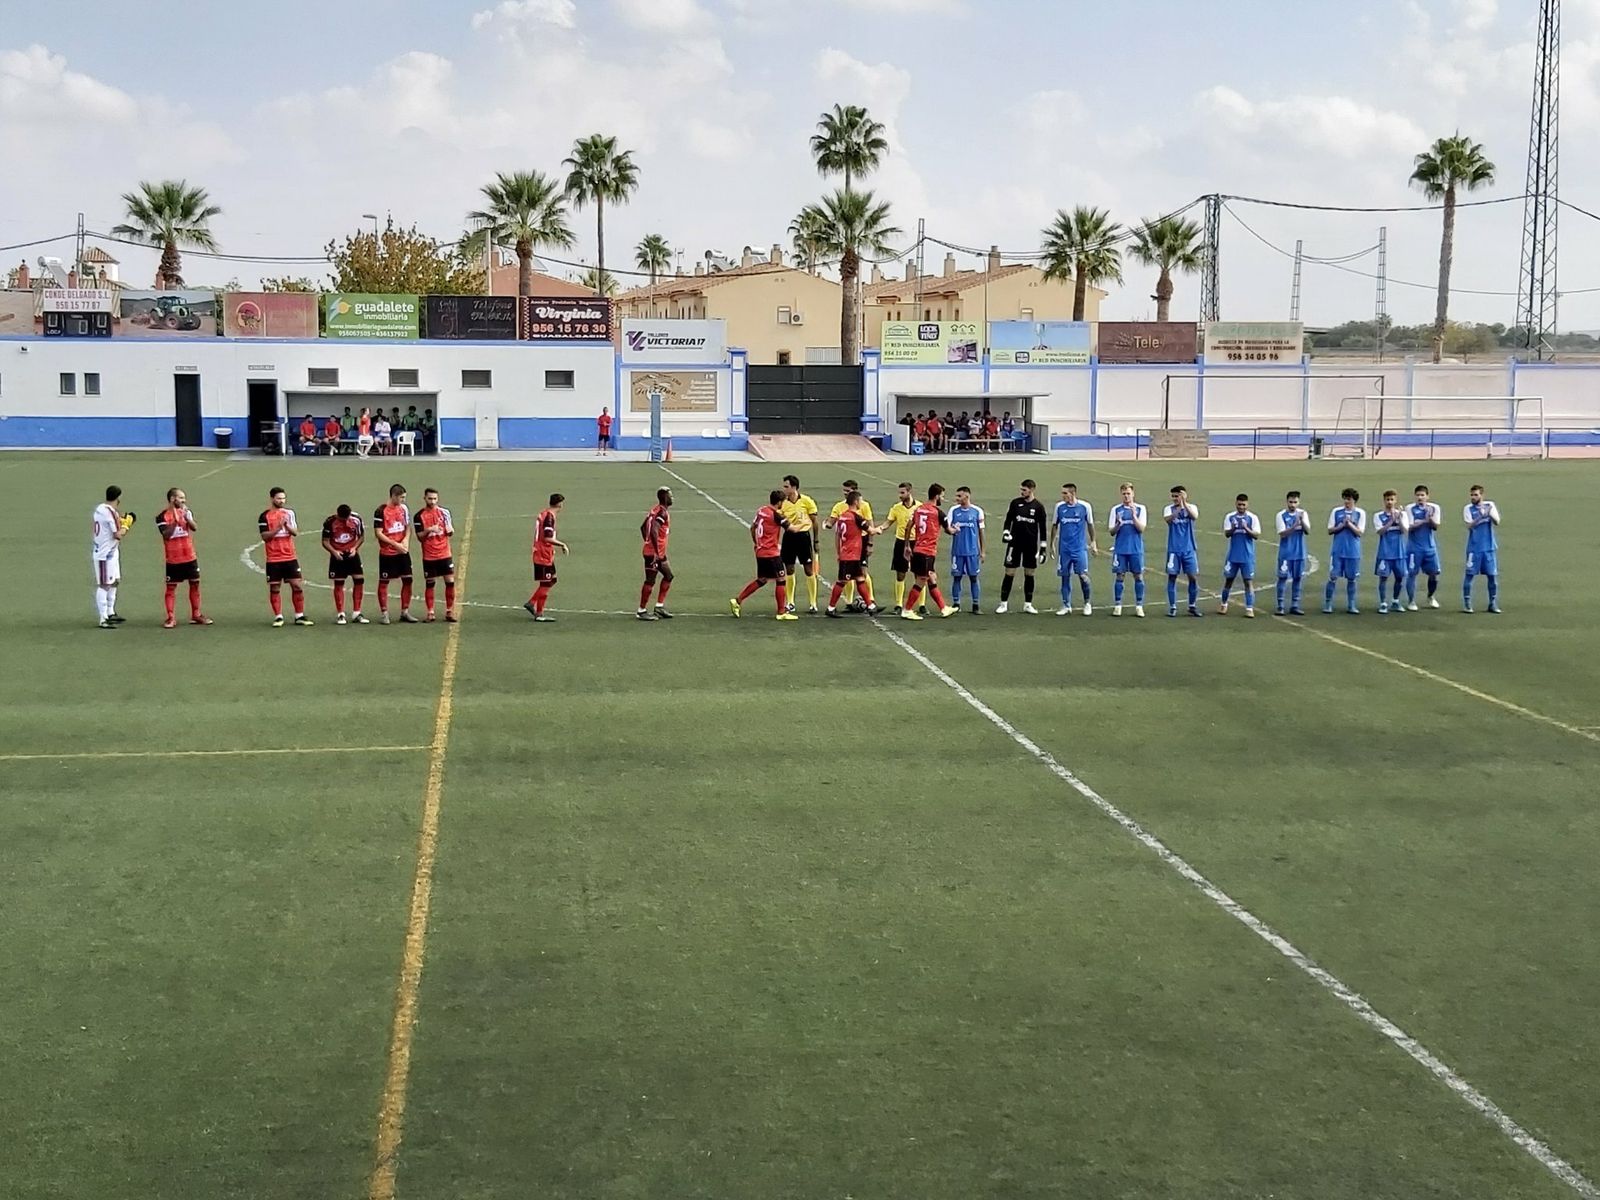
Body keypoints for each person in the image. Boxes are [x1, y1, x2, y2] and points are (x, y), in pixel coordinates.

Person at [731, 490, 795, 620]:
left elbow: (752, 527)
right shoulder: (777, 515)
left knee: (762, 579)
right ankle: (781, 612)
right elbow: (792, 529)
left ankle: (738, 601)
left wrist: (756, 543)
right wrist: (805, 524)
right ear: (779, 502)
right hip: (771, 553)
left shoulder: (762, 511)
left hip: (760, 551)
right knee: (781, 580)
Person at [900, 483, 958, 620]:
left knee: (931, 577)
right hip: (927, 551)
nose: (942, 499)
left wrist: (907, 545)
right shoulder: (938, 512)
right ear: (937, 496)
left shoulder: (919, 509)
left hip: (918, 548)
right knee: (922, 579)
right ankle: (907, 609)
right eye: (942, 496)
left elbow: (908, 527)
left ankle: (943, 608)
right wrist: (957, 529)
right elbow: (949, 531)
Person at [156, 487, 211, 628]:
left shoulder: (187, 512)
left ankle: (196, 615)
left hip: (189, 556)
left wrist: (187, 518)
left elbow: (194, 527)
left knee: (195, 584)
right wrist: (175, 522)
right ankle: (170, 617)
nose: (183, 500)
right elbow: (166, 535)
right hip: (173, 559)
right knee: (171, 588)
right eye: (180, 497)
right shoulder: (162, 517)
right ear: (172, 499)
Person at [258, 486, 313, 626]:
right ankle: (278, 616)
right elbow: (265, 537)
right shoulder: (264, 516)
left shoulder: (289, 513)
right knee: (275, 587)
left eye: (283, 498)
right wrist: (278, 527)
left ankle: (299, 615)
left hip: (290, 556)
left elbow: (295, 532)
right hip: (273, 557)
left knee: (297, 586)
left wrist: (286, 525)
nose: (282, 501)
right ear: (272, 499)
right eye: (279, 498)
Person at [996, 478, 1048, 614]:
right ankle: (1003, 604)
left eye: (1024, 490)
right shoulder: (1015, 503)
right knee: (1009, 572)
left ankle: (1028, 604)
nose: (1022, 492)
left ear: (1031, 490)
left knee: (1029, 573)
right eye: (1021, 489)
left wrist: (1042, 548)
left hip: (1030, 545)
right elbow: (1008, 520)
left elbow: (1042, 529)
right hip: (1014, 543)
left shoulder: (1038, 507)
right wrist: (1006, 532)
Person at [826, 490, 879, 616]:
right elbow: (870, 530)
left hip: (848, 553)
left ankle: (871, 605)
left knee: (860, 579)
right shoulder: (856, 517)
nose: (861, 503)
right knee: (842, 581)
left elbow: (838, 536)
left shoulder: (842, 516)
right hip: (851, 555)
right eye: (860, 500)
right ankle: (830, 608)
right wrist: (880, 529)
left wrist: (838, 552)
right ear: (856, 501)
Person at [374, 483, 417, 624]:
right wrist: (395, 544)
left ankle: (405, 611)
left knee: (408, 580)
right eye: (401, 497)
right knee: (384, 582)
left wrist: (405, 541)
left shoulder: (403, 508)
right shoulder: (381, 511)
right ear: (393, 496)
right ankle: (384, 613)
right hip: (388, 553)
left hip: (402, 551)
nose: (403, 500)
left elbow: (407, 527)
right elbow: (378, 533)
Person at [779, 474, 821, 614]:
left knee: (809, 570)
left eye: (786, 486)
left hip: (803, 537)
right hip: (789, 537)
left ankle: (813, 603)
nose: (784, 489)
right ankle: (790, 602)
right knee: (789, 569)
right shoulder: (782, 503)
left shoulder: (807, 501)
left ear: (794, 487)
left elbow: (815, 522)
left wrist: (816, 541)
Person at [1053, 482, 1096, 616]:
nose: (1063, 495)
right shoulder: (1059, 507)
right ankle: (1066, 605)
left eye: (1065, 493)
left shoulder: (1085, 506)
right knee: (1065, 577)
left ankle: (1087, 603)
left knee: (1083, 576)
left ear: (1073, 494)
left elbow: (1090, 525)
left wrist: (1093, 542)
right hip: (1064, 549)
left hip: (1079, 549)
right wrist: (1051, 544)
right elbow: (1055, 525)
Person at [414, 487, 457, 622]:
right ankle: (430, 612)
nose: (432, 501)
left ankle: (449, 611)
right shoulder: (419, 516)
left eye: (434, 499)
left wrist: (450, 531)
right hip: (429, 555)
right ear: (424, 498)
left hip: (444, 553)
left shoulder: (444, 513)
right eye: (430, 498)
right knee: (430, 583)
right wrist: (429, 530)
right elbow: (420, 537)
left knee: (450, 582)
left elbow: (450, 530)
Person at [321, 502, 369, 624]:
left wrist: (355, 548)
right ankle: (340, 614)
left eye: (346, 518)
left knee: (359, 580)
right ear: (337, 515)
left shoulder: (356, 519)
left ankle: (357, 613)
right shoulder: (330, 522)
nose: (345, 521)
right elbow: (325, 541)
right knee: (339, 583)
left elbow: (361, 536)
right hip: (337, 555)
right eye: (342, 519)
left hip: (352, 553)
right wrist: (334, 552)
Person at [1217, 493, 1261, 618]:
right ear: (1236, 504)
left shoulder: (1253, 518)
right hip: (1232, 555)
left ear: (1247, 504)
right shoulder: (1230, 517)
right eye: (1239, 504)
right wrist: (1233, 528)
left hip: (1247, 556)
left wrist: (1246, 528)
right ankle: (1223, 604)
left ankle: (1249, 608)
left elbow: (1256, 535)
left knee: (1248, 582)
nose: (1241, 507)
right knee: (1228, 581)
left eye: (1243, 505)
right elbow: (1227, 534)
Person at [525, 493, 568, 622]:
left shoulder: (544, 513)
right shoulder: (549, 517)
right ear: (560, 504)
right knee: (546, 582)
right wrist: (562, 544)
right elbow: (547, 537)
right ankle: (534, 606)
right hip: (543, 554)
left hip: (544, 553)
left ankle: (537, 610)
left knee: (551, 580)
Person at [1108, 481, 1147, 618]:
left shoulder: (1141, 509)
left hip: (1136, 548)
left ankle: (1139, 605)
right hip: (1120, 548)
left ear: (1133, 494)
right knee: (1120, 576)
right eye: (1124, 494)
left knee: (1138, 576)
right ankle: (1118, 605)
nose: (1126, 496)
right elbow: (1111, 531)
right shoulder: (1116, 510)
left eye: (1128, 493)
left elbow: (1141, 529)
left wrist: (1134, 516)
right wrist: (1118, 523)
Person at [1324, 487, 1366, 614]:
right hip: (1337, 550)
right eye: (1345, 499)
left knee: (1352, 578)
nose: (1347, 502)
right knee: (1332, 577)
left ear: (1354, 500)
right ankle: (1328, 603)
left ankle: (1351, 604)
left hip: (1353, 551)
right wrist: (1342, 525)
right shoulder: (1336, 511)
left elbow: (1359, 532)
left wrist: (1350, 525)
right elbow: (1330, 530)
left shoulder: (1360, 513)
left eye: (1349, 499)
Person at [91, 484, 127, 628]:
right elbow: (117, 534)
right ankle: (103, 618)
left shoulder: (100, 509)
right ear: (119, 497)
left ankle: (110, 612)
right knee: (104, 585)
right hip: (104, 555)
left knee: (115, 581)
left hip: (112, 552)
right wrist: (127, 525)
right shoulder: (111, 512)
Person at [1462, 483, 1502, 613]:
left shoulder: (1490, 505)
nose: (1473, 497)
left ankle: (1493, 603)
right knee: (1469, 575)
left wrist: (1488, 514)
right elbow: (1469, 526)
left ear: (1482, 495)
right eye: (1472, 495)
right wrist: (1481, 516)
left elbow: (1497, 522)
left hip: (1489, 547)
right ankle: (1467, 603)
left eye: (1476, 495)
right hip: (1474, 548)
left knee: (1492, 576)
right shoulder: (1468, 508)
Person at [946, 485, 985, 612]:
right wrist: (952, 531)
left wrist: (982, 551)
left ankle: (976, 605)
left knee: (974, 577)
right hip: (957, 551)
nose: (956, 498)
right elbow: (948, 528)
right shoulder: (953, 511)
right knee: (957, 577)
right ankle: (956, 604)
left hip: (972, 551)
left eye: (959, 496)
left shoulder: (977, 511)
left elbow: (981, 532)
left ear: (967, 496)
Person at [884, 480, 921, 614]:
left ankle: (921, 604)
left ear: (909, 492)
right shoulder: (896, 508)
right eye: (899, 493)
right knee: (900, 573)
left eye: (902, 492)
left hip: (916, 542)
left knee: (919, 574)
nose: (900, 495)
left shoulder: (920, 507)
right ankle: (898, 604)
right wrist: (879, 528)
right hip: (900, 542)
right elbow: (889, 522)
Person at [1405, 484, 1443, 610]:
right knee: (1412, 574)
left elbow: (1435, 526)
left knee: (1434, 574)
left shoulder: (1434, 508)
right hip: (1414, 548)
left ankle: (1430, 597)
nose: (1420, 498)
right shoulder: (1410, 508)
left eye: (1422, 495)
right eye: (1418, 495)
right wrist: (1423, 521)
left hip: (1429, 547)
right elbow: (1409, 527)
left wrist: (1429, 519)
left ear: (1427, 496)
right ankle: (1411, 601)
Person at [1373, 490, 1411, 615]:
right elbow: (1380, 532)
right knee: (1383, 577)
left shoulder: (1403, 515)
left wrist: (1398, 519)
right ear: (1384, 501)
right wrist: (1391, 520)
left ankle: (1395, 601)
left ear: (1395, 500)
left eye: (1392, 499)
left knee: (1399, 577)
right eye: (1387, 500)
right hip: (1384, 552)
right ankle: (1383, 603)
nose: (1389, 502)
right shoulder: (1378, 515)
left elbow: (1405, 531)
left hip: (1399, 552)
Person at [638, 487, 674, 620]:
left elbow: (643, 527)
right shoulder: (662, 513)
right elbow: (653, 529)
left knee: (668, 576)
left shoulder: (656, 510)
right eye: (670, 496)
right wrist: (654, 550)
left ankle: (659, 606)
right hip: (653, 554)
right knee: (650, 580)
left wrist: (647, 542)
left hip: (658, 553)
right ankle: (641, 610)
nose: (672, 498)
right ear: (665, 497)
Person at [1274, 490, 1310, 616]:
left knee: (1298, 578)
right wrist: (1295, 525)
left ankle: (1295, 605)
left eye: (1295, 502)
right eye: (1290, 502)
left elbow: (1307, 531)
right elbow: (1283, 534)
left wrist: (1302, 522)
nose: (1293, 505)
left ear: (1298, 502)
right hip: (1286, 553)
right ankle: (1280, 606)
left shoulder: (1303, 514)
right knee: (1282, 578)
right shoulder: (1281, 515)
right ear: (1287, 502)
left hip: (1299, 552)